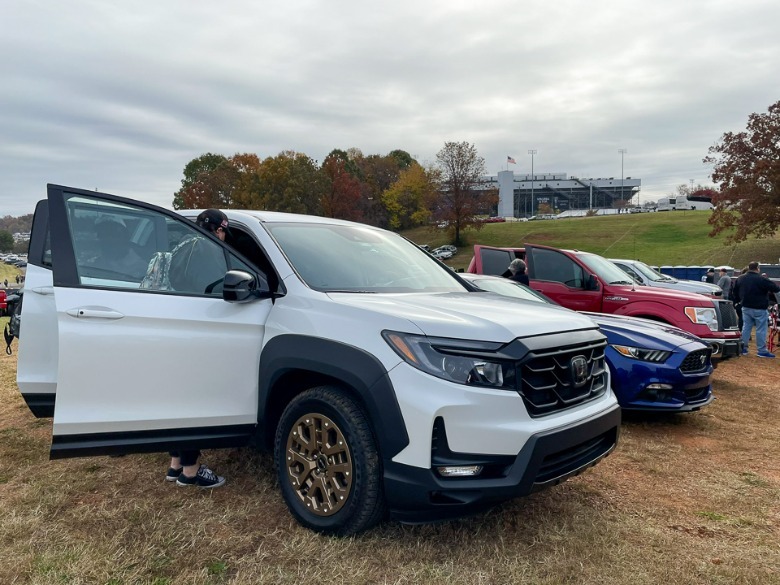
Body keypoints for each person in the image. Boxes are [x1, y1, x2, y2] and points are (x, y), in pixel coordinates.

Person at [166, 209, 230, 489]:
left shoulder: (182, 247)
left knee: (178, 401)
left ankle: (175, 465)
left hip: (176, 328)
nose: (224, 235)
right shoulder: (209, 249)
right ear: (217, 228)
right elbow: (216, 290)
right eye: (224, 229)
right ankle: (191, 472)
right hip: (200, 331)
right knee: (194, 403)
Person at [734, 261, 780, 358]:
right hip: (759, 308)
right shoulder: (761, 279)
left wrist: (739, 301)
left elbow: (735, 291)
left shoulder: (740, 278)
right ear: (757, 268)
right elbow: (775, 288)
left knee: (746, 327)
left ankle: (743, 348)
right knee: (761, 329)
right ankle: (761, 350)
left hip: (745, 307)